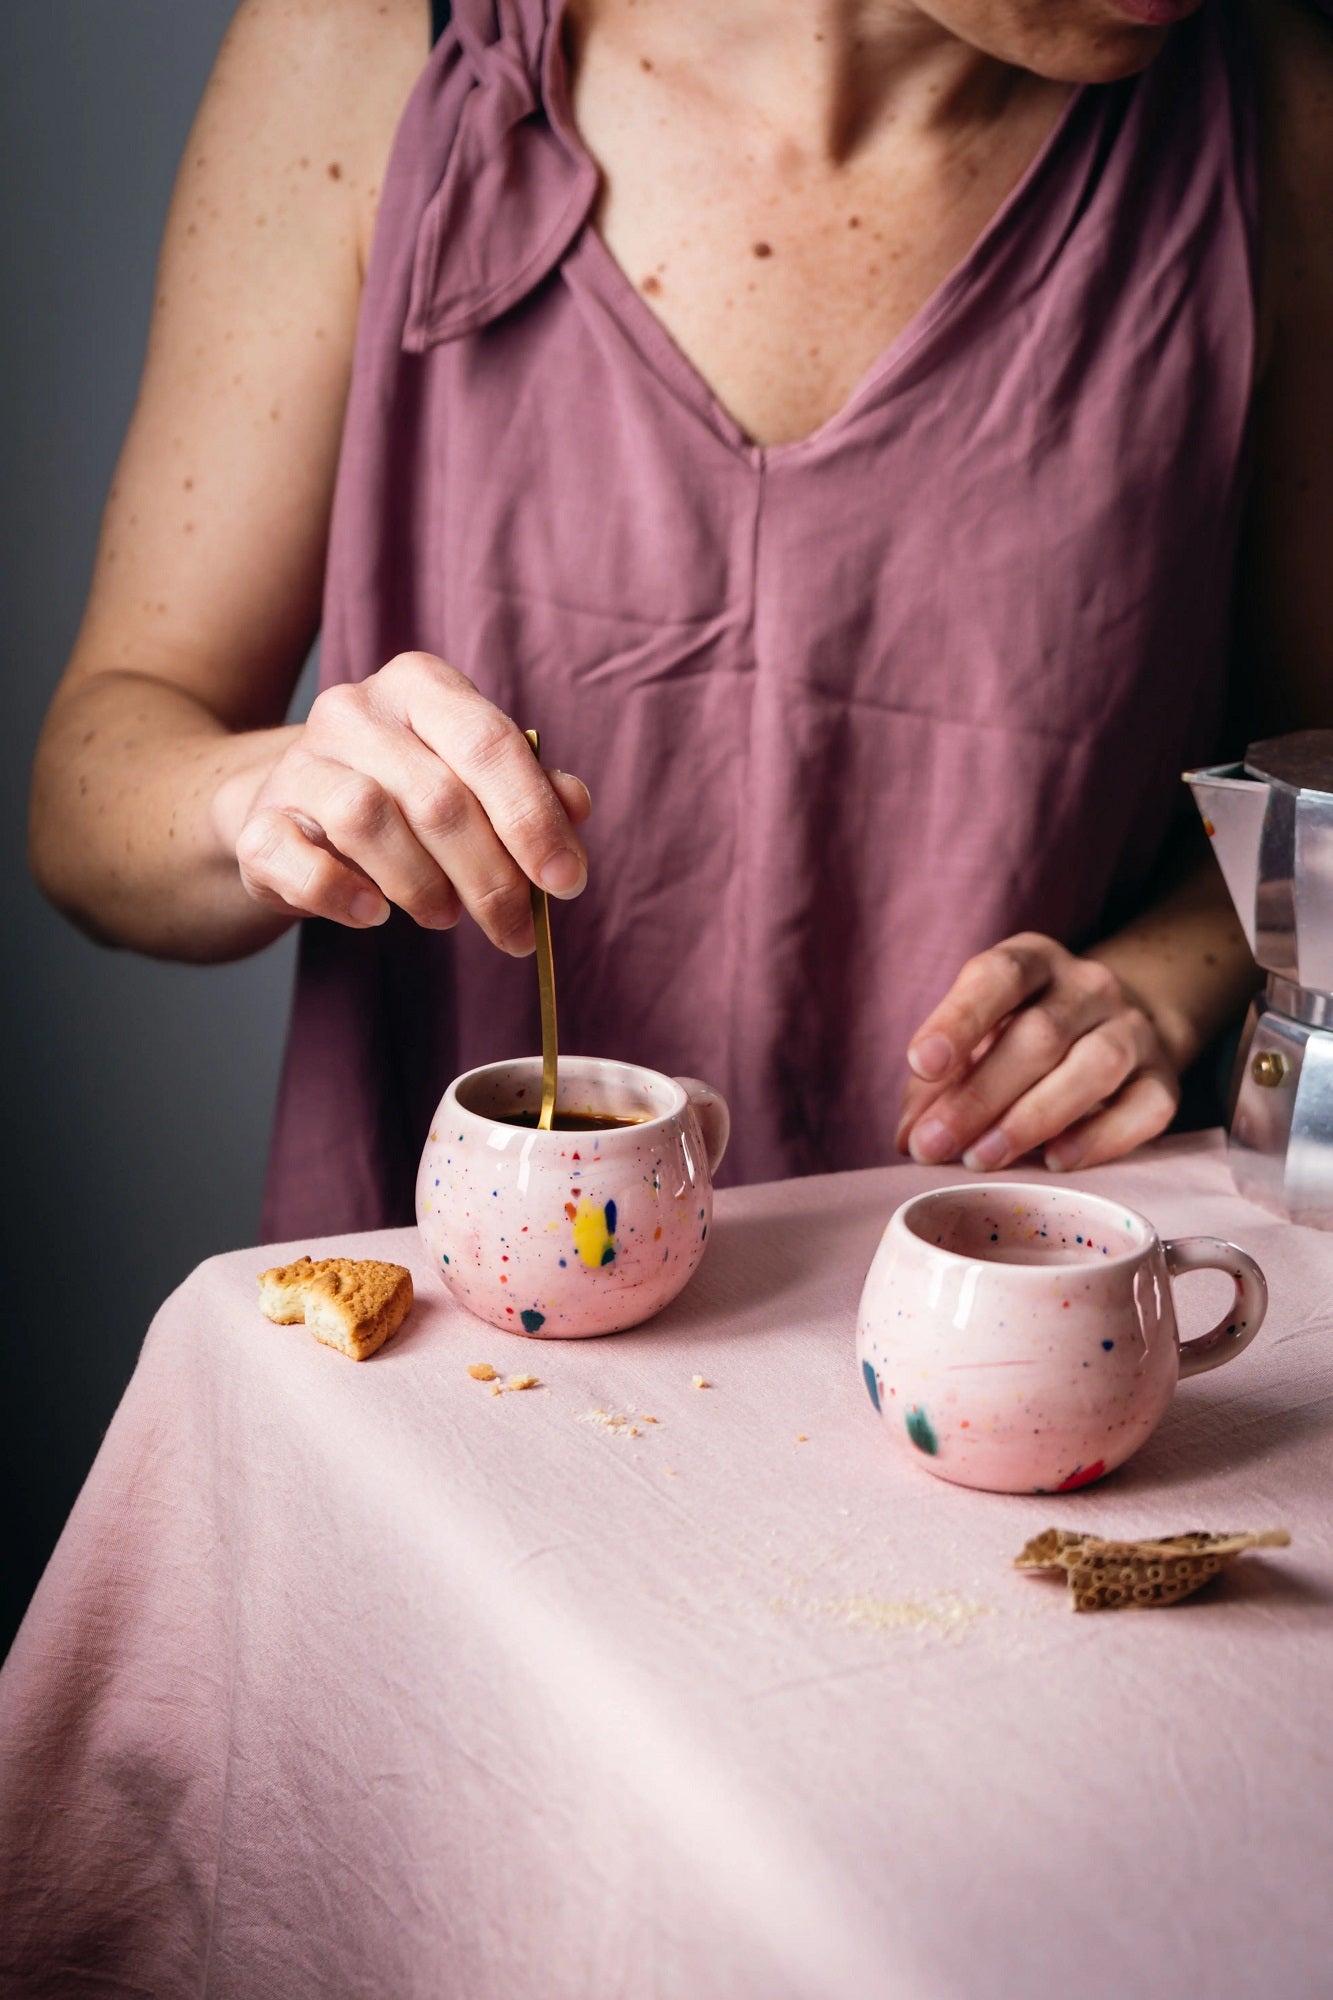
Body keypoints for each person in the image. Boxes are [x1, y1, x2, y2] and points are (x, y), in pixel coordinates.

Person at [27, 0, 1333, 1237]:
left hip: (1008, 1343)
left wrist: (1163, 986)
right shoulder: (372, 53)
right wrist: (264, 801)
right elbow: (87, 816)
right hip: (452, 1355)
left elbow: (1316, 769)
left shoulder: (1280, 111)